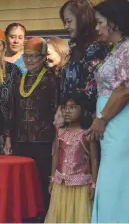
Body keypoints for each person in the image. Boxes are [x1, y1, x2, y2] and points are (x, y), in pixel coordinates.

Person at [88, 0, 129, 223]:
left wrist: (101, 118)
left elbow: (123, 90)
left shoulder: (127, 49)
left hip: (119, 121)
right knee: (113, 177)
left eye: (100, 22)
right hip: (112, 121)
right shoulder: (118, 49)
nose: (97, 28)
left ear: (114, 22)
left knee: (117, 179)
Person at [9, 37, 59, 218]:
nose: (29, 60)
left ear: (43, 57)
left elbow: (56, 109)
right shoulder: (20, 79)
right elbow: (12, 111)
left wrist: (56, 138)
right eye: (26, 57)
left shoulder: (52, 78)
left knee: (41, 179)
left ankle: (43, 215)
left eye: (34, 57)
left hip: (43, 139)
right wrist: (9, 137)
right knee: (23, 182)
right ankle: (25, 215)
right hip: (20, 139)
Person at [45, 93, 99, 223]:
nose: (67, 111)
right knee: (59, 214)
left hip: (80, 186)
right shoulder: (60, 132)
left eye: (72, 107)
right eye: (64, 107)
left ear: (82, 110)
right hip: (60, 184)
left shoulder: (86, 134)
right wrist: (52, 179)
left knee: (77, 216)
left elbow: (94, 160)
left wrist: (93, 185)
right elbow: (55, 156)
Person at [59, 0, 110, 122]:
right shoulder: (75, 48)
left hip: (90, 121)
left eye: (69, 21)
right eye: (65, 22)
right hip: (71, 120)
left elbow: (94, 91)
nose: (66, 26)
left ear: (83, 19)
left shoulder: (97, 48)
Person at [46, 37, 70, 129]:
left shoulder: (68, 72)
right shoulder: (50, 73)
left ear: (60, 52)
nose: (46, 58)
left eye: (48, 54)